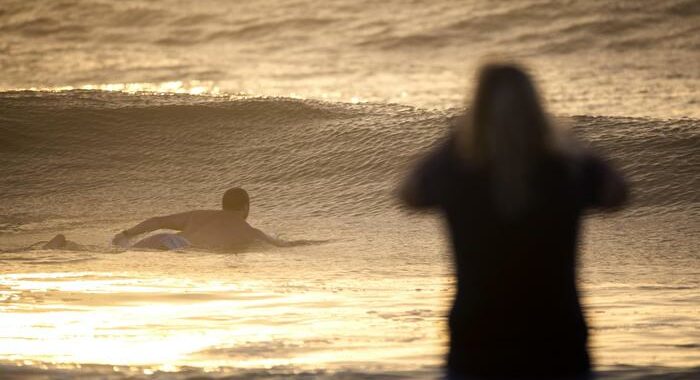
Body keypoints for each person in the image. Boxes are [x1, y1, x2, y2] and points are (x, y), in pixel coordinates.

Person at [400, 63, 627, 379]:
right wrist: (572, 141)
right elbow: (617, 194)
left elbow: (409, 194)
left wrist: (453, 139)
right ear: (537, 108)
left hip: (477, 340)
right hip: (558, 340)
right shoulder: (566, 169)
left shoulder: (456, 170)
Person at [112, 187, 299, 250]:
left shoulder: (198, 215)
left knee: (121, 254)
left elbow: (158, 221)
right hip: (181, 248)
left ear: (223, 205)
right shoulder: (251, 233)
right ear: (246, 207)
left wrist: (126, 233)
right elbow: (282, 247)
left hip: (165, 239)